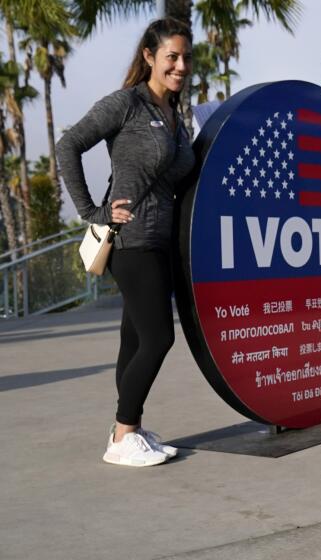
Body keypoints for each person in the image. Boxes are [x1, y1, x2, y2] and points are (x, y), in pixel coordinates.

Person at [57, 18, 195, 467]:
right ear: (150, 57)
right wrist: (92, 212)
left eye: (185, 57)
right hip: (131, 239)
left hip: (163, 241)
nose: (180, 65)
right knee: (158, 338)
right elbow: (69, 145)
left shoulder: (177, 115)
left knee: (134, 340)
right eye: (171, 56)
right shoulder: (127, 104)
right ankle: (122, 434)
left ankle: (131, 428)